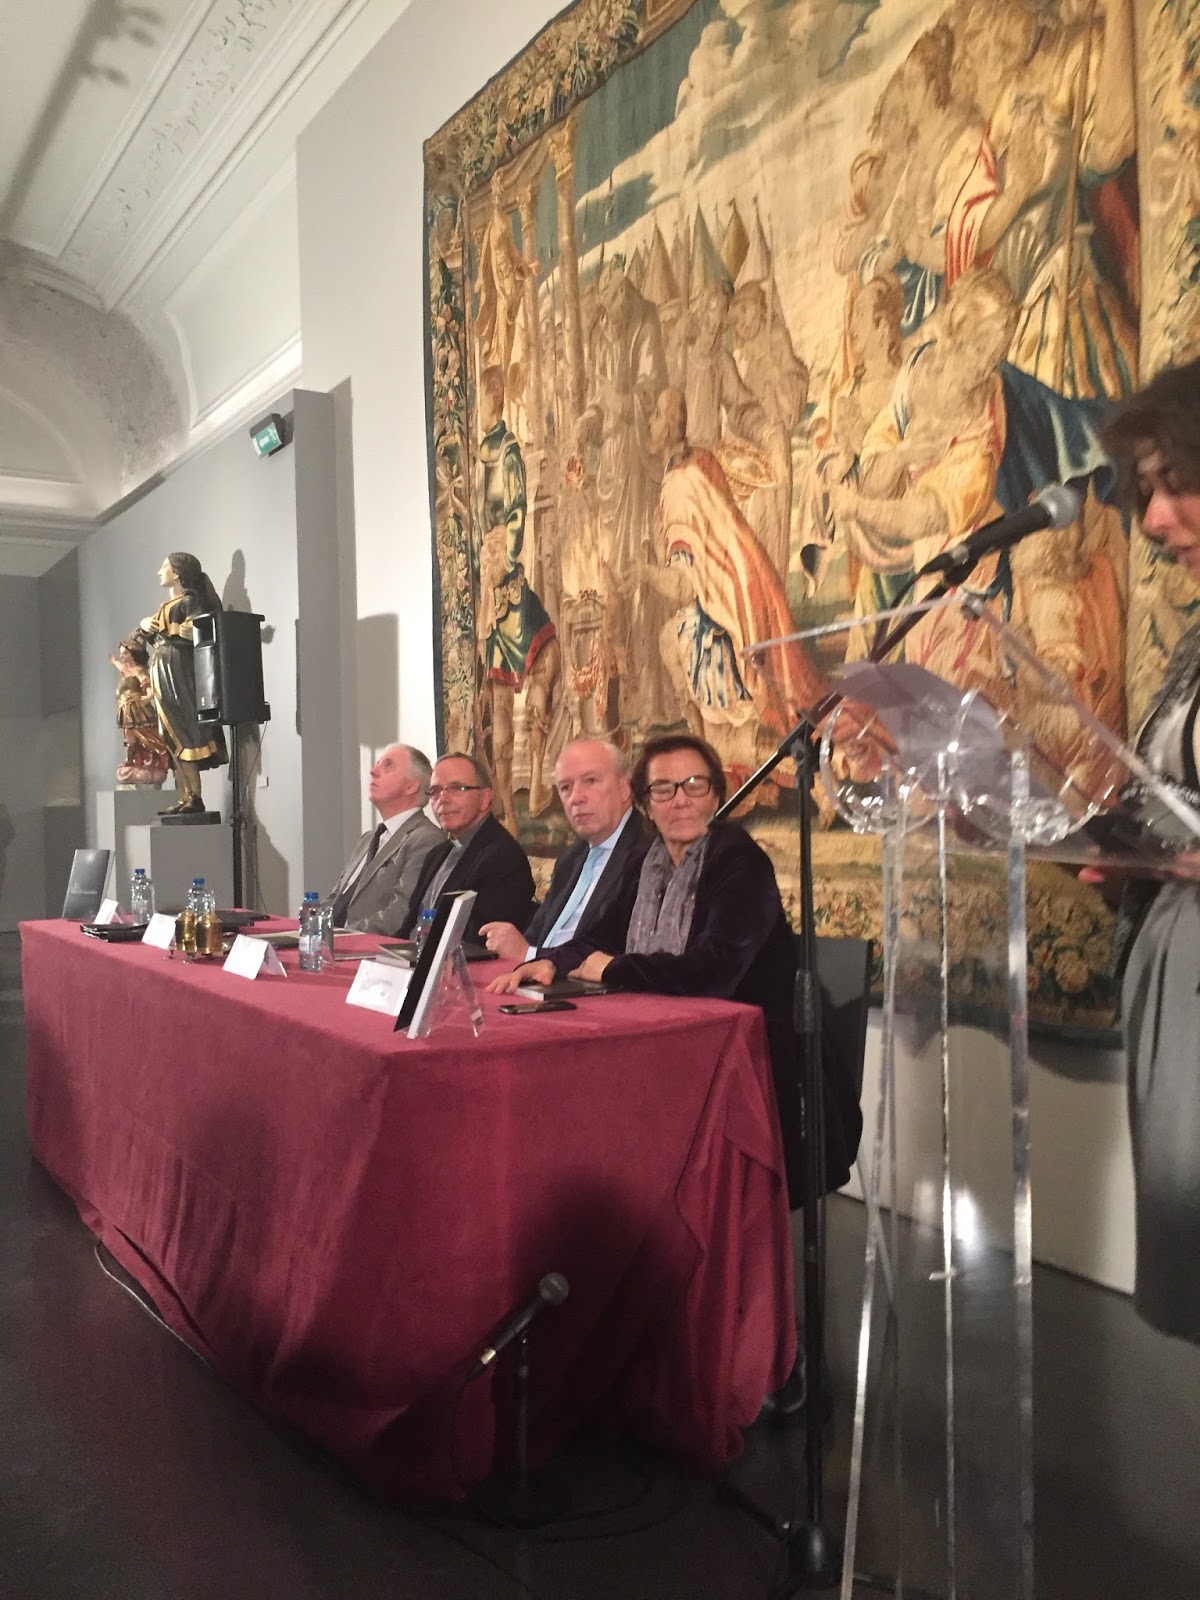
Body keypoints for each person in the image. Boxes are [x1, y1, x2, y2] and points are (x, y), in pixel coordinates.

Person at [490, 732, 863, 1211]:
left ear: (716, 794)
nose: (680, 800)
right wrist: (547, 961)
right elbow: (602, 934)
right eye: (664, 789)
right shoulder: (650, 862)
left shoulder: (739, 861)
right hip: (673, 1043)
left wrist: (615, 968)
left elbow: (712, 972)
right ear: (646, 803)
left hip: (753, 1065)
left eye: (694, 785)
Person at [1085, 357, 1200, 1347]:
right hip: (1178, 971)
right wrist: (1116, 846)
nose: (1155, 521)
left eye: (1177, 483)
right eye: (1147, 491)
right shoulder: (1196, 642)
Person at [479, 738, 650, 962]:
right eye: (565, 787)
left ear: (624, 789)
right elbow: (537, 934)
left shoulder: (648, 854)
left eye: (590, 781)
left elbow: (617, 950)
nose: (576, 798)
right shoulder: (571, 858)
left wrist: (528, 954)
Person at [398, 752, 535, 942]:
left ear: (485, 798)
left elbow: (479, 942)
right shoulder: (437, 854)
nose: (443, 799)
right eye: (435, 791)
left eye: (456, 788)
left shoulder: (503, 858)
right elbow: (409, 927)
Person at [134, 553, 228, 815]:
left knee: (183, 729)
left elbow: (205, 629)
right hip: (162, 669)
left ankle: (194, 796)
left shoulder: (190, 602)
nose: (159, 571)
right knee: (169, 732)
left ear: (177, 573)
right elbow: (146, 637)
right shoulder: (166, 607)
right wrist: (144, 624)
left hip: (178, 670)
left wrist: (193, 631)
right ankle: (184, 796)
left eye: (164, 566)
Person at [322, 744, 442, 934]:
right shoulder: (368, 839)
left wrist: (340, 936)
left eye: (388, 765)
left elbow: (399, 914)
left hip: (364, 945)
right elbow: (337, 897)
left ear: (412, 786)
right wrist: (311, 926)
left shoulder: (426, 839)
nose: (373, 771)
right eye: (377, 763)